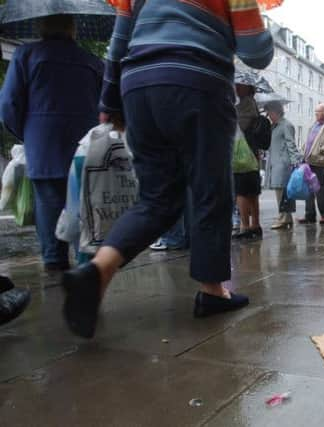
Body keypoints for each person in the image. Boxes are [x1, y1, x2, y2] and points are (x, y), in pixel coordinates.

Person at [60, 0, 274, 338]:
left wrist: (109, 101)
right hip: (198, 81)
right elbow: (256, 51)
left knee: (156, 198)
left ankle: (98, 271)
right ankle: (213, 291)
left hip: (138, 85)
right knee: (210, 191)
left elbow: (118, 41)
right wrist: (259, 23)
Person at [0, 15, 103, 272]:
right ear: (72, 29)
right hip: (85, 140)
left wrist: (25, 133)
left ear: (40, 27)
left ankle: (54, 259)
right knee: (83, 199)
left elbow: (9, 104)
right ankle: (86, 259)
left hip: (43, 140)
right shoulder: (91, 61)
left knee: (48, 199)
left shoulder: (26, 55)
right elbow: (105, 103)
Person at [232, 83, 263, 241]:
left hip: (243, 154)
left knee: (242, 191)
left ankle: (245, 226)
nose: (236, 87)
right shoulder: (252, 104)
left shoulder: (245, 105)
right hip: (252, 154)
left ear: (247, 88)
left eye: (239, 85)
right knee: (252, 192)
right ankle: (255, 225)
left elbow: (238, 126)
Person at [264, 101, 302, 229]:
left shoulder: (286, 125)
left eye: (269, 113)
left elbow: (291, 144)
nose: (268, 116)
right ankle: (287, 217)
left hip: (283, 163)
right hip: (275, 162)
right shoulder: (274, 126)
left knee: (281, 191)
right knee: (281, 191)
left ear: (276, 112)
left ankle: (283, 218)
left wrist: (295, 161)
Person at [299, 103, 324, 224]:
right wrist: (302, 152)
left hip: (319, 163)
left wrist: (321, 150)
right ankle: (309, 215)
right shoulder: (314, 126)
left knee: (320, 190)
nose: (316, 113)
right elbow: (309, 142)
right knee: (309, 190)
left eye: (318, 111)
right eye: (316, 111)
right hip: (308, 161)